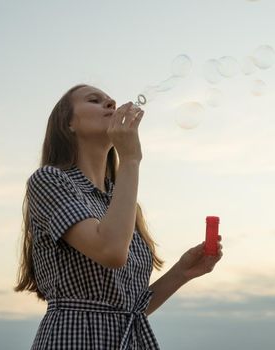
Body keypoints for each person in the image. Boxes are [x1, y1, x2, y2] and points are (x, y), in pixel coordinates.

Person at [14, 84, 223, 349]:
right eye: (94, 100)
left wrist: (183, 271)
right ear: (68, 123)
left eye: (109, 99)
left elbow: (130, 309)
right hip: (73, 339)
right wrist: (131, 159)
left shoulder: (120, 201)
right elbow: (111, 250)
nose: (110, 102)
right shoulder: (49, 180)